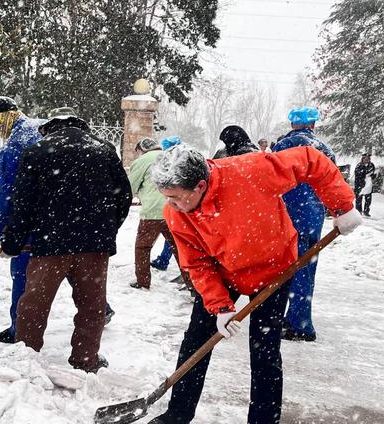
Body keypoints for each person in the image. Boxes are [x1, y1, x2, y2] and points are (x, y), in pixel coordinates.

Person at [148, 143, 361, 424]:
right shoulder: (176, 214)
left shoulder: (251, 171)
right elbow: (196, 263)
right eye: (167, 198)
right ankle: (177, 413)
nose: (171, 206)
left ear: (200, 185)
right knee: (196, 340)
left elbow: (310, 160)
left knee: (264, 348)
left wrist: (342, 207)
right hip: (223, 273)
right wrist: (220, 305)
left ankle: (263, 420)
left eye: (175, 198)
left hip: (274, 270)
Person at [0, 107, 132, 372]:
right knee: (91, 305)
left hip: (50, 244)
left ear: (50, 126)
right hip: (94, 246)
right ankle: (86, 360)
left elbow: (22, 203)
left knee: (34, 302)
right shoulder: (103, 149)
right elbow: (123, 196)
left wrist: (13, 242)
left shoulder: (38, 151)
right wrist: (106, 231)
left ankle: (26, 357)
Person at [0, 96, 42, 344]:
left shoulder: (14, 146)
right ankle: (103, 309)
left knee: (22, 272)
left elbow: (7, 196)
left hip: (29, 222)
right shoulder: (41, 128)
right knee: (63, 263)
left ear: (5, 116)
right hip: (58, 218)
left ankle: (18, 330)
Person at [273, 106, 335, 342]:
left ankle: (291, 322)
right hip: (313, 217)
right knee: (306, 267)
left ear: (292, 125)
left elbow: (270, 181)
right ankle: (300, 320)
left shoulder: (282, 147)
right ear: (313, 125)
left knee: (286, 267)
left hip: (287, 215)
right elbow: (333, 183)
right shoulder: (324, 150)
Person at [129, 137, 184, 289]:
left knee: (143, 248)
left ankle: (143, 282)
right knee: (180, 248)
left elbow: (130, 187)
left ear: (141, 149)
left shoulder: (142, 161)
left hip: (152, 212)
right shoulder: (170, 157)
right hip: (174, 209)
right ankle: (193, 284)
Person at [150, 136, 182, 272]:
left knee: (175, 237)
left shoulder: (173, 162)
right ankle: (164, 260)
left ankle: (165, 261)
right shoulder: (180, 159)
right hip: (177, 204)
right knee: (173, 236)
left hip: (176, 205)